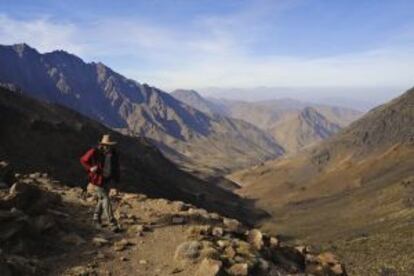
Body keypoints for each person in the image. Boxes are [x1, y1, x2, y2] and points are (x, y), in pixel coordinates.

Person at [80, 134, 120, 231]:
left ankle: (96, 220)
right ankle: (112, 222)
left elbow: (115, 168)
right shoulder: (94, 151)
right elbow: (83, 160)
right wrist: (90, 168)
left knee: (102, 199)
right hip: (96, 179)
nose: (108, 147)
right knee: (105, 199)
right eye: (107, 145)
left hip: (106, 180)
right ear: (103, 144)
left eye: (110, 145)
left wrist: (116, 183)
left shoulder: (112, 154)